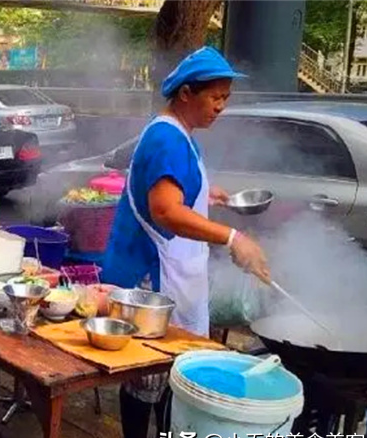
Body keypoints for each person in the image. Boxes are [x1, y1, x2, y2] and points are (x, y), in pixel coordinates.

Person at [101, 46, 270, 438]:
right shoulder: (167, 139)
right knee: (148, 377)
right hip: (154, 276)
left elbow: (174, 191)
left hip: (175, 274)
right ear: (185, 94)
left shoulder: (182, 134)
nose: (221, 107)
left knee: (167, 375)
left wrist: (207, 194)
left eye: (226, 98)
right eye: (215, 97)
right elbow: (165, 211)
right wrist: (233, 237)